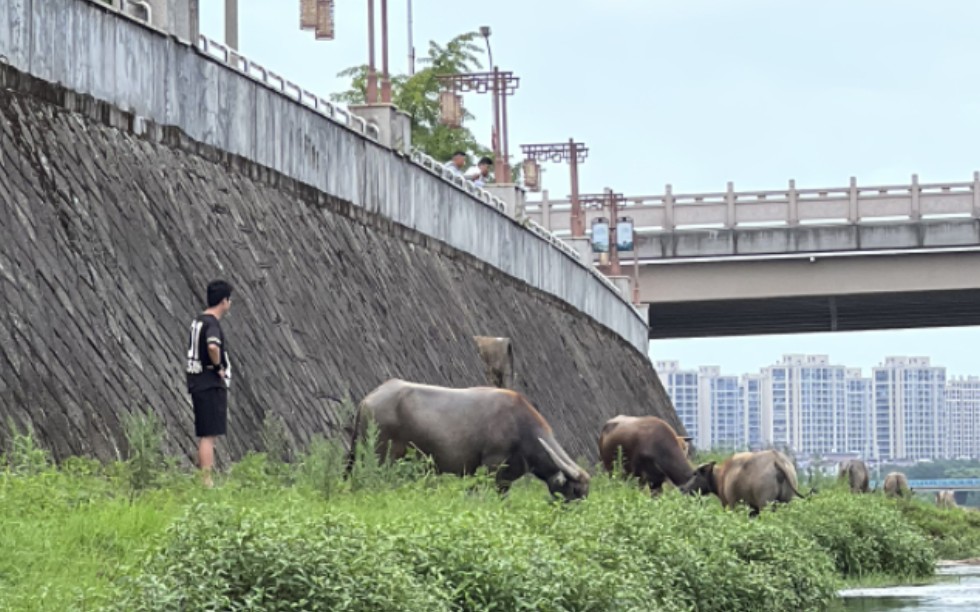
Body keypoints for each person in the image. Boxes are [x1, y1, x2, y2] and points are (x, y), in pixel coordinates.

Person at [184, 279, 233, 487]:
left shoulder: (199, 321)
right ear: (224, 301)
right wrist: (219, 366)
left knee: (205, 433)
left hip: (196, 380)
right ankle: (207, 481)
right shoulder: (212, 323)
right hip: (209, 382)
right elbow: (213, 346)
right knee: (208, 436)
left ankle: (203, 477)